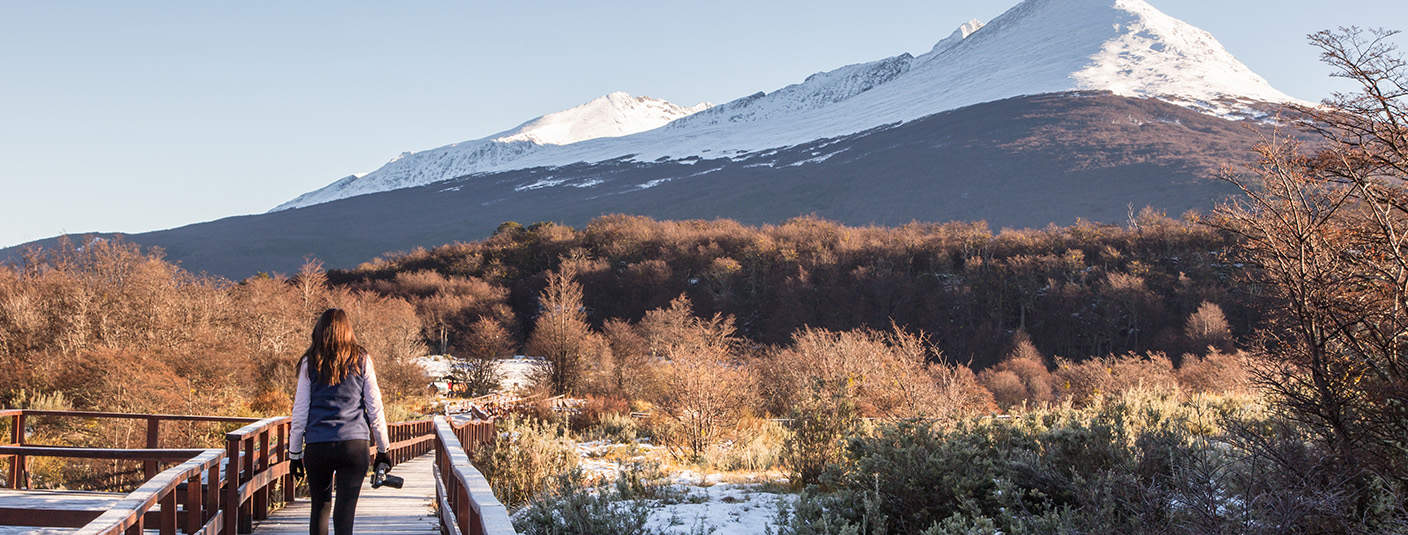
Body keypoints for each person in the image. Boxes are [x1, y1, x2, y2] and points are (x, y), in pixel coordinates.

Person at [288, 308, 393, 535]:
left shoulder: (309, 362)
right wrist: (384, 450)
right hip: (354, 444)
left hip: (318, 444)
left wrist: (294, 453)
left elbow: (300, 412)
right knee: (345, 511)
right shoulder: (362, 360)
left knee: (320, 506)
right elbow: (375, 408)